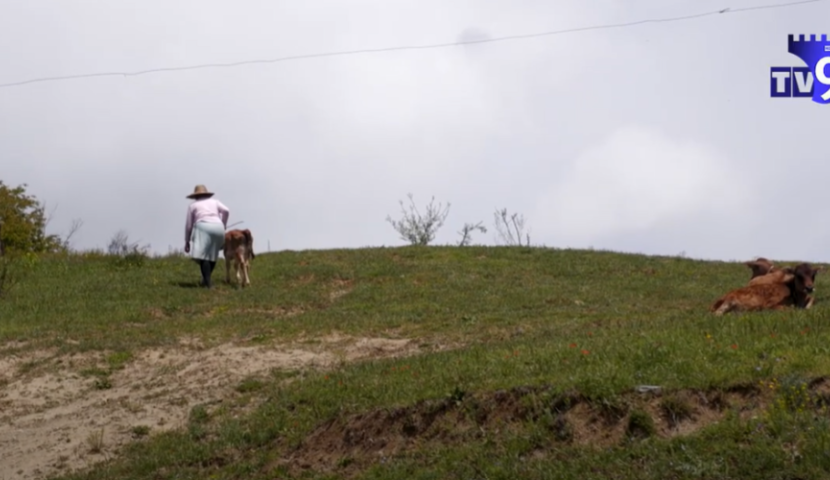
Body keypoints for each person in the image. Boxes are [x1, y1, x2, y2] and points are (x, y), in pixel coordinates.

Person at [184, 184, 229, 288]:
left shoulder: (193, 206)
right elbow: (226, 211)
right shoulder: (215, 202)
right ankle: (206, 280)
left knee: (203, 257)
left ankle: (208, 283)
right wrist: (223, 224)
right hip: (218, 227)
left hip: (202, 227)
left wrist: (187, 240)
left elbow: (189, 225)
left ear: (195, 196)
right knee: (212, 255)